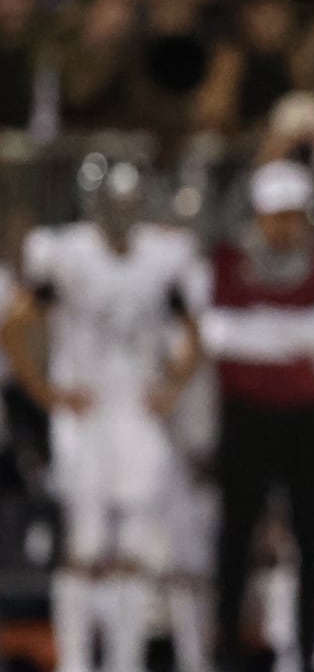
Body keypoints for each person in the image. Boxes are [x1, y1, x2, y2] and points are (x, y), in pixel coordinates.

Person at [1, 158, 205, 672]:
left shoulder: (162, 258)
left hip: (136, 407)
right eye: (112, 205)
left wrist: (173, 385)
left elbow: (193, 334)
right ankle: (74, 661)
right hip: (87, 407)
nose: (120, 215)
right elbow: (15, 324)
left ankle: (124, 660)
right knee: (85, 539)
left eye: (128, 205)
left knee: (135, 541)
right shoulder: (68, 255)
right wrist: (45, 391)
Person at [203, 160, 314, 672]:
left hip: (308, 417)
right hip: (247, 416)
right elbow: (219, 337)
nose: (286, 227)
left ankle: (307, 652)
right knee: (235, 537)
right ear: (259, 216)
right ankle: (224, 650)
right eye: (277, 216)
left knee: (311, 538)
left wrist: (262, 331)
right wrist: (291, 335)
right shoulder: (229, 260)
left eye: (294, 216)